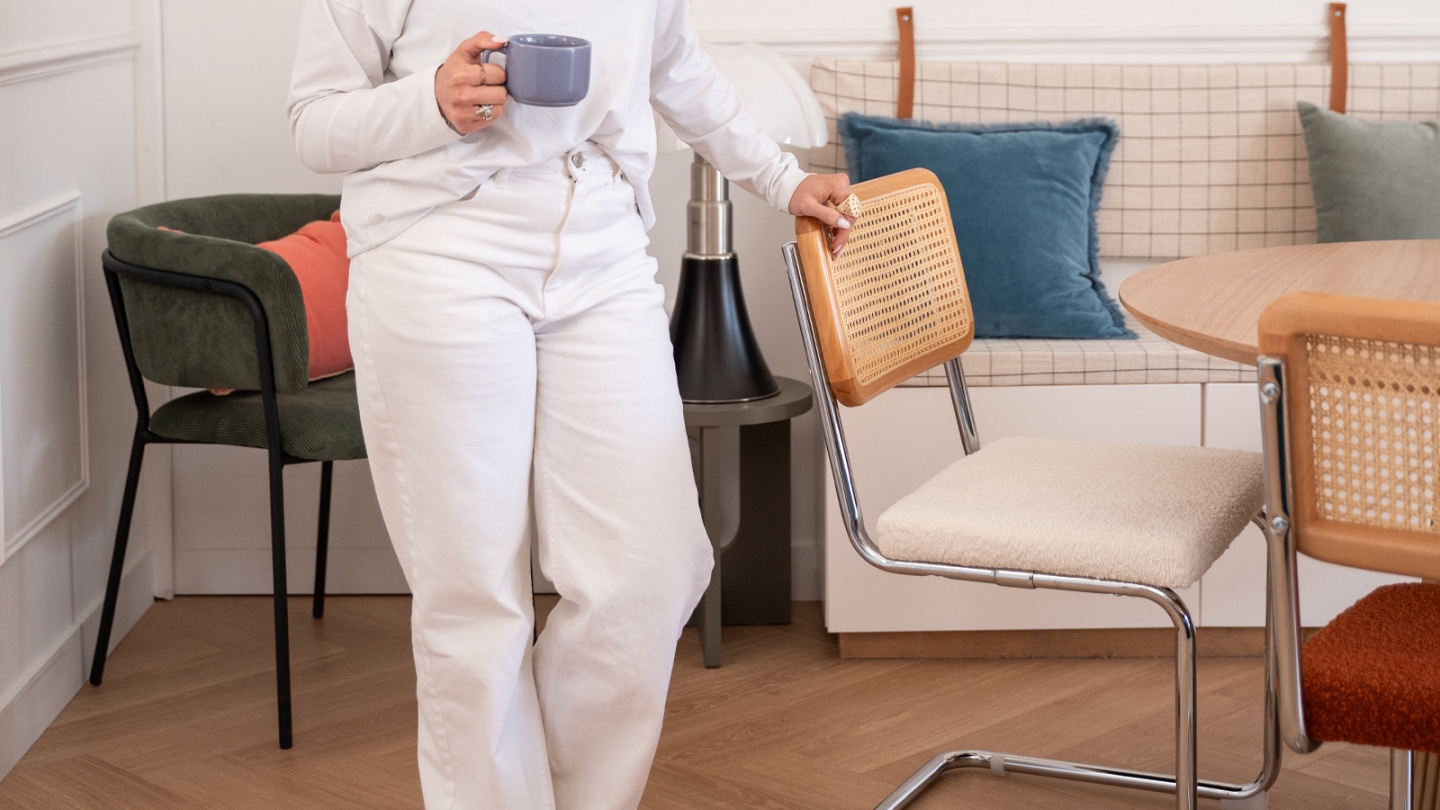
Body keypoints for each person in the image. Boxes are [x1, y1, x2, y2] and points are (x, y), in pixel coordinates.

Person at [287, 2, 851, 808]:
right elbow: (314, 123)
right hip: (440, 246)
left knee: (650, 568)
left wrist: (783, 178)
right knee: (473, 596)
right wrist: (431, 100)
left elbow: (675, 67)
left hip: (602, 247)